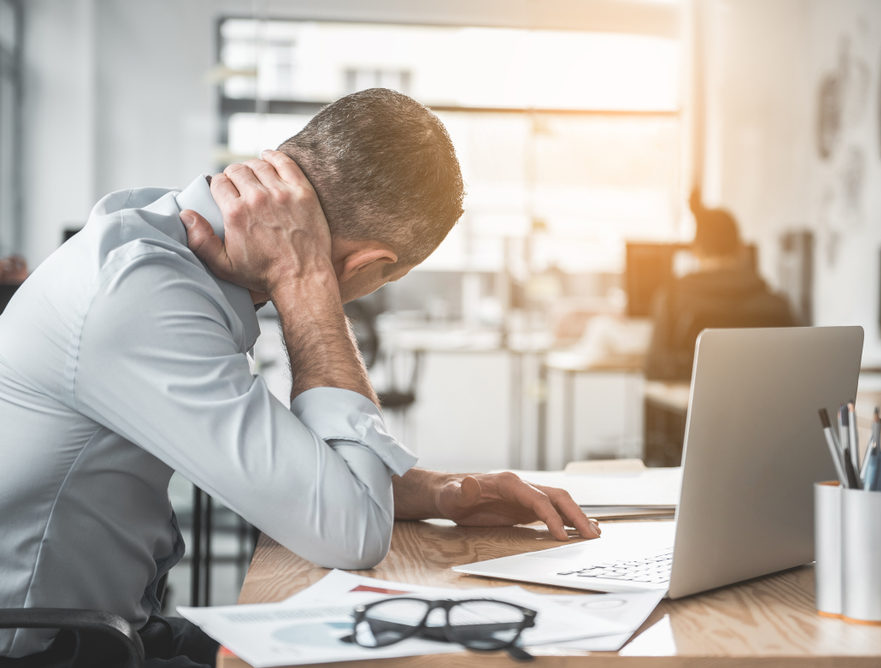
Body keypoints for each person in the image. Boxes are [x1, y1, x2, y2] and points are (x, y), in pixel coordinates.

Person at [0, 88, 598, 667]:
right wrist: (307, 285)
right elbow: (350, 535)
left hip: (118, 626)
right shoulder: (142, 293)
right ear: (368, 265)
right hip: (49, 650)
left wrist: (444, 492)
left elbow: (292, 464)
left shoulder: (158, 239)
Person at [644, 187, 796, 382]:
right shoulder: (777, 306)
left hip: (693, 411)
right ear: (741, 249)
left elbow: (654, 370)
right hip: (766, 411)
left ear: (696, 251)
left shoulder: (672, 301)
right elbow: (794, 369)